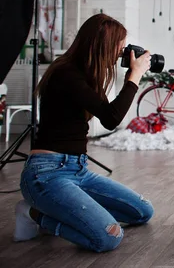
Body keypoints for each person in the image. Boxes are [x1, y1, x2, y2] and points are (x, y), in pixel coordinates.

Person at [13, 14, 154, 252]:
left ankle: (72, 209)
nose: (121, 55)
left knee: (142, 212)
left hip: (78, 170)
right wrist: (135, 75)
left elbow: (109, 114)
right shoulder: (66, 74)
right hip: (46, 174)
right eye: (118, 49)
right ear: (101, 46)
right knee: (109, 237)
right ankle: (33, 213)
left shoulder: (86, 75)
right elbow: (112, 119)